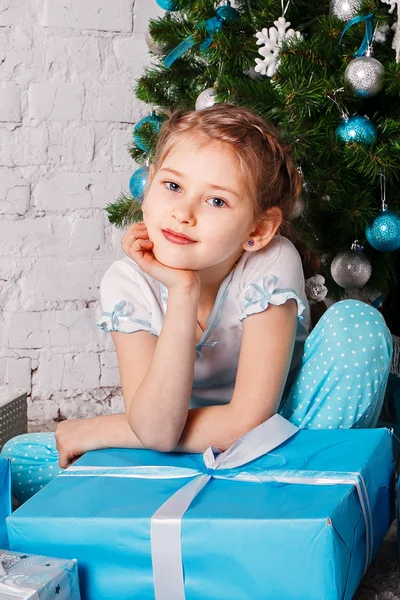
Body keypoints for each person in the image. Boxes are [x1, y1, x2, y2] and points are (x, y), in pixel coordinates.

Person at [2, 104, 393, 502]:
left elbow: (250, 422)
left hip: (280, 437)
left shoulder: (270, 260)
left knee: (356, 325)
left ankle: (253, 495)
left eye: (217, 201)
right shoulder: (126, 282)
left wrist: (102, 429)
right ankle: (224, 494)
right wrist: (183, 291)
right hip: (177, 446)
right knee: (18, 460)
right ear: (149, 184)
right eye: (172, 186)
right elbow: (156, 430)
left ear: (258, 229)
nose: (183, 214)